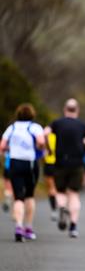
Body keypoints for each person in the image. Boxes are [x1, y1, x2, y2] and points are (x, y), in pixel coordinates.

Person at [44, 98, 85, 238]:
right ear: (78, 110)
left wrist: (49, 149)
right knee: (74, 194)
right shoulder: (83, 126)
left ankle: (62, 208)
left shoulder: (57, 123)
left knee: (61, 192)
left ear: (65, 110)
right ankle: (73, 227)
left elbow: (45, 133)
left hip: (60, 162)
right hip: (77, 163)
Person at [0, 103, 45, 242]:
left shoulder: (11, 127)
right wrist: (38, 148)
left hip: (14, 162)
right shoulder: (35, 127)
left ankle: (18, 226)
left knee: (18, 196)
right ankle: (28, 228)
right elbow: (41, 142)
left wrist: (10, 149)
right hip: (30, 163)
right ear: (32, 114)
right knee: (30, 195)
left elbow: (2, 146)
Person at [43, 131, 58, 220]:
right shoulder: (60, 135)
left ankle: (53, 210)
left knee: (51, 188)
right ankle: (62, 206)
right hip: (59, 165)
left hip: (49, 164)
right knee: (60, 188)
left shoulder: (46, 136)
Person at [2, 151, 13, 217]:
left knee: (8, 187)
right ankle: (14, 212)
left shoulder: (8, 141)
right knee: (14, 187)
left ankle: (8, 199)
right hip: (16, 166)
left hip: (8, 167)